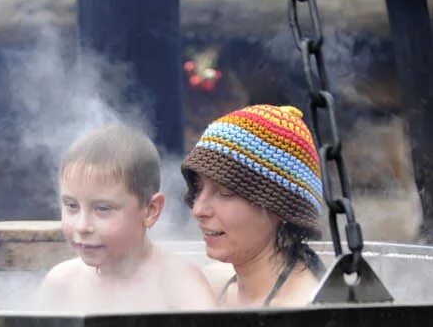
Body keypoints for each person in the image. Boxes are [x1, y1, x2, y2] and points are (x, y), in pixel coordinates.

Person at [40, 122, 215, 312]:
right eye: (72, 206)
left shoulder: (179, 286)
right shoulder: (62, 284)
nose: (82, 226)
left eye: (103, 209)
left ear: (150, 210)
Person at [182, 103, 324, 308]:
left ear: (280, 206)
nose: (198, 210)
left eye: (225, 192)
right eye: (198, 188)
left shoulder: (302, 310)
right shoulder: (209, 286)